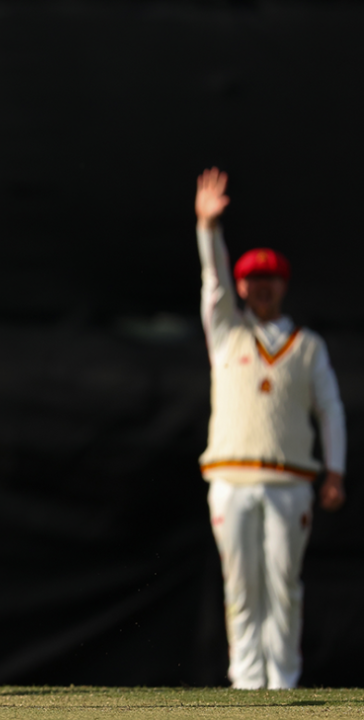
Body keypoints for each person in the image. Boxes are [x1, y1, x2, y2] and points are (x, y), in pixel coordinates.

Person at [193, 167, 347, 689]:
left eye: (270, 279)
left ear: (283, 284)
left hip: (290, 482)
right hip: (230, 477)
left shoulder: (307, 346)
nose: (261, 288)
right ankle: (246, 682)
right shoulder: (228, 335)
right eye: (252, 280)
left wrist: (335, 471)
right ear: (242, 285)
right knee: (241, 583)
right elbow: (211, 284)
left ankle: (282, 683)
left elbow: (330, 409)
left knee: (283, 584)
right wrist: (207, 229)